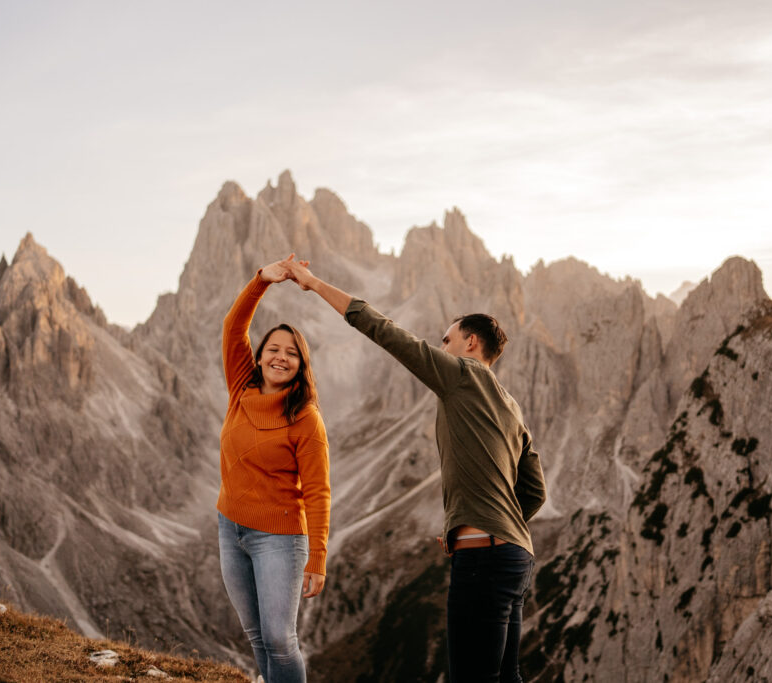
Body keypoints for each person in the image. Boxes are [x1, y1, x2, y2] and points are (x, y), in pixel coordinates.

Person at [282, 257, 546, 683]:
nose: (440, 347)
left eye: (447, 340)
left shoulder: (460, 374)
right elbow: (535, 493)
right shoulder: (513, 408)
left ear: (471, 343)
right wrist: (491, 520)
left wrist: (313, 283)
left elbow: (383, 330)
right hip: (517, 555)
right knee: (507, 676)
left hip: (482, 557)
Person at [216, 255, 330, 683]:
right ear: (260, 355)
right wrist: (261, 281)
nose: (281, 358)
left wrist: (316, 557)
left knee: (281, 640)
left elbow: (318, 490)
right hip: (231, 528)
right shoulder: (240, 388)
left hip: (280, 540)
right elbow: (233, 327)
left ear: (301, 366)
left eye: (291, 354)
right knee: (257, 636)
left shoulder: (304, 416)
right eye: (273, 350)